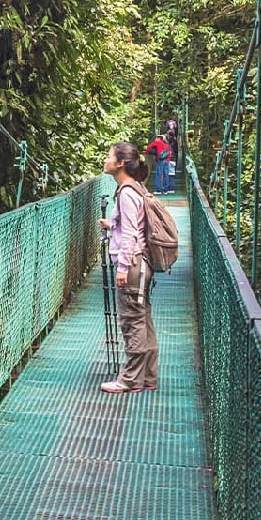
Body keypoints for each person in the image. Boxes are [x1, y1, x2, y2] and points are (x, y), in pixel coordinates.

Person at [97, 142, 160, 393]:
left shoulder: (126, 193)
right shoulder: (135, 189)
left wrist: (122, 268)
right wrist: (112, 226)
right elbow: (131, 228)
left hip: (132, 265)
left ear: (120, 163)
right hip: (140, 262)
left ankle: (130, 380)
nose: (105, 159)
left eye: (109, 156)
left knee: (132, 321)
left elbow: (132, 233)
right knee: (143, 319)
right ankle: (147, 376)